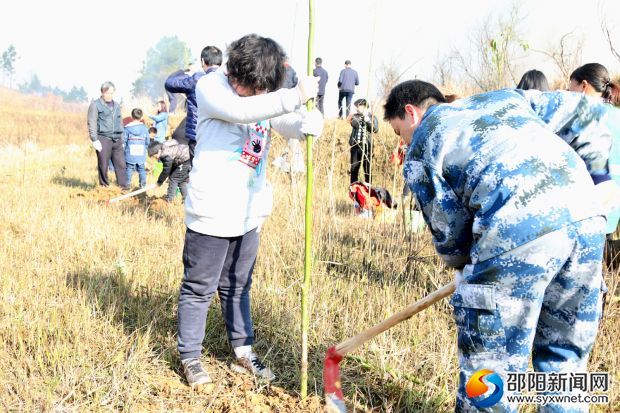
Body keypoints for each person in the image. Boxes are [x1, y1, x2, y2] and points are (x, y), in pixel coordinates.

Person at [384, 80, 610, 412]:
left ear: (411, 113)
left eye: (398, 132)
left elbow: (451, 233)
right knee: (564, 360)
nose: (402, 141)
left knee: (492, 369)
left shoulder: (424, 143)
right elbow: (588, 112)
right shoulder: (508, 98)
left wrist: (465, 268)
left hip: (515, 227)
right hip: (588, 218)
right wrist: (601, 179)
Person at [179, 33, 322, 389]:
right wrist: (294, 95)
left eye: (262, 88)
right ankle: (190, 358)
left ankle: (243, 349)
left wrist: (306, 123)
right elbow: (243, 111)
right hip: (212, 212)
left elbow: (278, 119)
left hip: (249, 211)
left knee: (239, 285)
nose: (256, 93)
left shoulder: (260, 97)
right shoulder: (212, 87)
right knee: (199, 287)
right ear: (234, 71)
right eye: (251, 85)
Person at [568, 63, 620, 235]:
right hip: (613, 213)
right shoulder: (617, 115)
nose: (569, 96)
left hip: (586, 211)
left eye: (571, 90)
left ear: (584, 86)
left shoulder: (582, 117)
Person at [165, 46, 223, 164]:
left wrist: (183, 72)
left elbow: (169, 83)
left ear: (202, 61)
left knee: (197, 171)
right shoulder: (228, 80)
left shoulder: (196, 79)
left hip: (197, 135)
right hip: (221, 135)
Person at [87, 81, 128, 189]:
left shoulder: (117, 105)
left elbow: (120, 122)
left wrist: (122, 139)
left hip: (117, 139)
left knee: (121, 164)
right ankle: (104, 187)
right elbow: (92, 122)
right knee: (103, 164)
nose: (110, 95)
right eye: (107, 93)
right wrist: (95, 139)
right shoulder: (95, 105)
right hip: (103, 139)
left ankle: (123, 186)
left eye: (111, 93)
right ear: (102, 92)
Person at [347, 98, 378, 184]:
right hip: (355, 146)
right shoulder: (355, 116)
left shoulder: (372, 117)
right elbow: (354, 124)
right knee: (354, 169)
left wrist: (367, 120)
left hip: (367, 147)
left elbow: (375, 129)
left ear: (364, 107)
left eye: (359, 106)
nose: (357, 108)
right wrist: (361, 118)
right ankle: (353, 189)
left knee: (367, 170)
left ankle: (368, 190)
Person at [123, 108, 150, 188]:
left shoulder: (127, 128)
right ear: (141, 117)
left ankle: (127, 185)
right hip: (141, 152)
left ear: (132, 116)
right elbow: (147, 141)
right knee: (141, 169)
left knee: (129, 169)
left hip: (130, 152)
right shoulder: (145, 128)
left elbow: (123, 141)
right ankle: (143, 186)